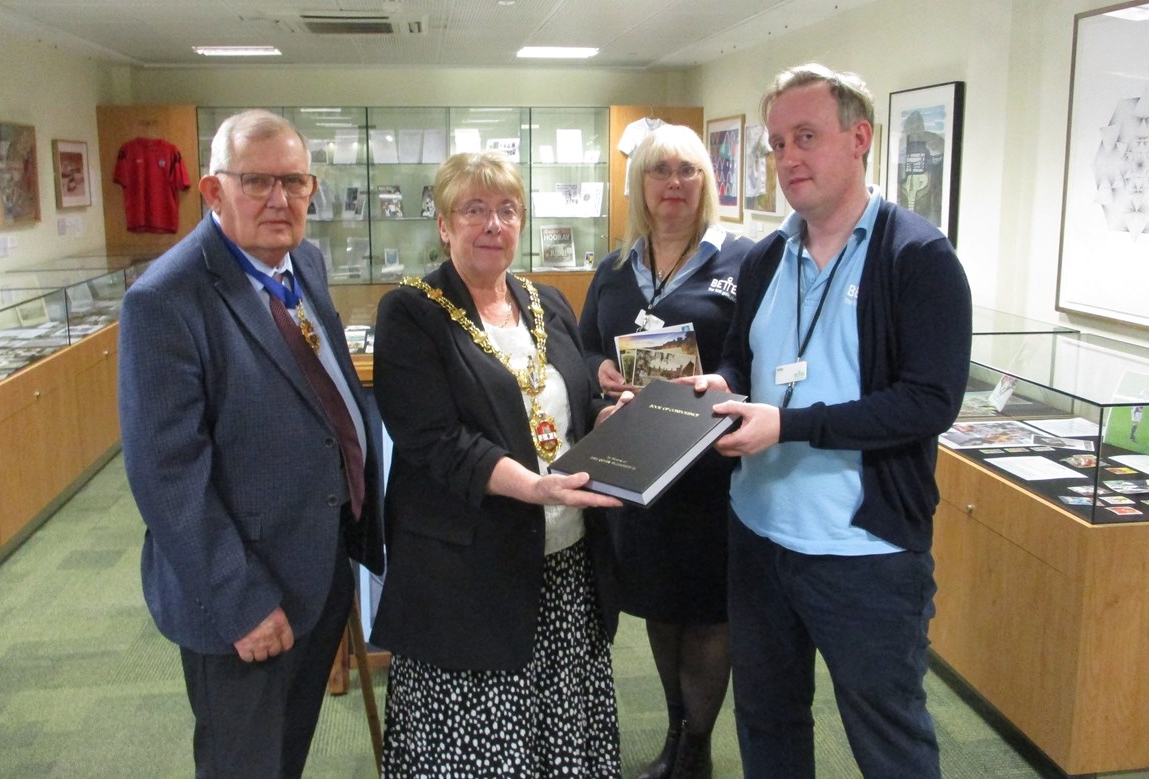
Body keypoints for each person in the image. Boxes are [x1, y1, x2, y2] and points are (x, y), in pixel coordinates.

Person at [693, 63, 972, 777]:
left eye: (806, 137)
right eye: (777, 143)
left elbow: (929, 401)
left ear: (860, 139)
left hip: (865, 555)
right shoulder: (765, 258)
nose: (787, 159)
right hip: (758, 537)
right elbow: (741, 362)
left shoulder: (918, 257)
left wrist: (788, 425)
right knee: (767, 721)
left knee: (889, 737)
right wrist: (709, 388)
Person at [118, 109, 384, 778]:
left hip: (317, 565)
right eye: (257, 181)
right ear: (213, 190)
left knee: (286, 749)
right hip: (242, 595)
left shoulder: (306, 264)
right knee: (244, 763)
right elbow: (168, 476)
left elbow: (324, 397)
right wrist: (241, 601)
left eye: (294, 182)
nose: (279, 199)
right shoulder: (166, 299)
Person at [370, 151, 625, 777]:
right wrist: (534, 486)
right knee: (480, 739)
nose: (492, 224)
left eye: (506, 210)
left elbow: (576, 400)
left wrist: (607, 420)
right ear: (444, 224)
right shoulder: (410, 312)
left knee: (561, 722)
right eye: (474, 209)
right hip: (467, 567)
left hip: (562, 560)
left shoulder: (547, 301)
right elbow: (437, 441)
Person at [579, 124, 752, 779]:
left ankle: (697, 748)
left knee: (708, 605)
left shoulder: (739, 260)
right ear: (639, 186)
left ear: (706, 181)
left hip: (711, 468)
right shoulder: (616, 269)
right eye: (660, 171)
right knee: (660, 601)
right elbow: (587, 346)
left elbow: (751, 355)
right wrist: (601, 374)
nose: (674, 183)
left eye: (687, 170)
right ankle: (677, 730)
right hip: (642, 469)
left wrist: (722, 379)